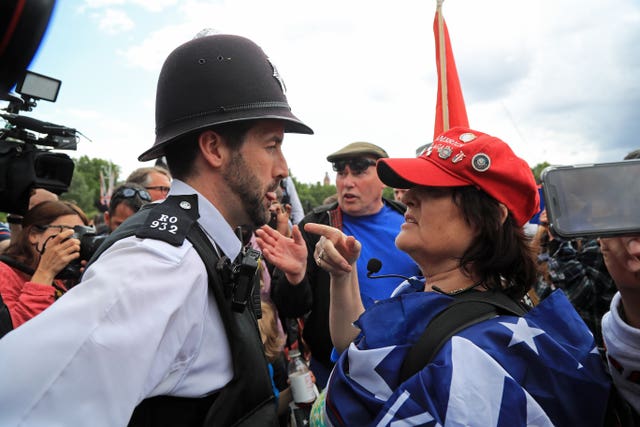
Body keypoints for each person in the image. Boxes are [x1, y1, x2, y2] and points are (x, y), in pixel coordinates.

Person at [0, 33, 312, 427]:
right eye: (272, 145)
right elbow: (24, 406)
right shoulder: (160, 265)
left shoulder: (204, 248)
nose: (283, 167)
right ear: (214, 149)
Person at [291, 127, 610, 425]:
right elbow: (357, 349)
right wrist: (341, 275)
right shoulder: (416, 291)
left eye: (430, 188)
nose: (405, 197)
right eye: (410, 186)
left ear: (491, 217)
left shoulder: (480, 358)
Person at [257, 142, 421, 388]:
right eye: (341, 172)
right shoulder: (315, 228)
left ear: (383, 178)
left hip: (407, 371)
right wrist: (295, 278)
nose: (347, 182)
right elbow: (290, 308)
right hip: (336, 373)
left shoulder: (410, 221)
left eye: (358, 171)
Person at [0, 200, 89, 329]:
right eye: (69, 233)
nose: (75, 242)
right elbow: (17, 333)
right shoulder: (4, 273)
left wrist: (85, 281)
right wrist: (45, 273)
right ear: (34, 234)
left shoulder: (60, 278)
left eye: (81, 235)